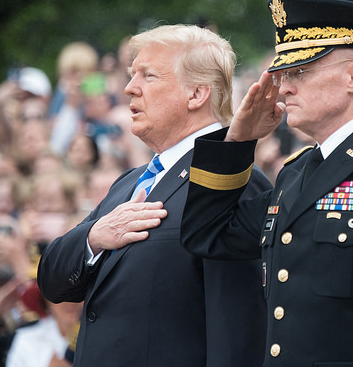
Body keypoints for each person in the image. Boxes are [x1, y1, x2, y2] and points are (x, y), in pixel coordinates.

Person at [181, 0, 353, 366]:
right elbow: (207, 234)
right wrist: (238, 142)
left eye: (300, 72)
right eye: (282, 75)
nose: (283, 88)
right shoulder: (294, 172)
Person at [37, 24, 270, 367]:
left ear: (196, 94)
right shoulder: (130, 183)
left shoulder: (234, 180)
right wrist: (94, 237)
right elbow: (52, 280)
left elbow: (236, 331)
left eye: (148, 76)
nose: (130, 88)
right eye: (132, 75)